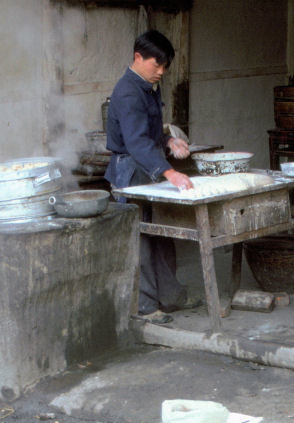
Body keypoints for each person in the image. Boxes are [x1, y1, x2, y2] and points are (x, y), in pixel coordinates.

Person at [105, 29, 199, 325]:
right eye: (156, 65)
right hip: (130, 172)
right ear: (138, 57)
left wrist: (169, 140)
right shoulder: (128, 91)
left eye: (165, 67)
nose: (161, 72)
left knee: (161, 233)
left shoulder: (146, 86)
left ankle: (171, 297)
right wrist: (169, 171)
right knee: (142, 240)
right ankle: (146, 306)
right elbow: (136, 142)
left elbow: (149, 133)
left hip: (146, 167)